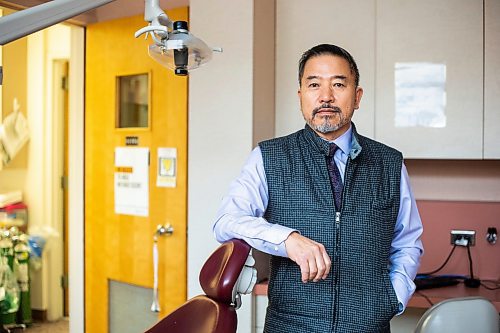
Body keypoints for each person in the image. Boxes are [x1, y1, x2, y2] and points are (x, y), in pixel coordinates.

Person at [213, 44, 423, 332]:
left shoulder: (390, 163)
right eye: (314, 85)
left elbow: (407, 240)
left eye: (338, 84)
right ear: (301, 96)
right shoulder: (269, 156)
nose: (326, 96)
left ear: (357, 96)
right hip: (289, 325)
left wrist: (394, 297)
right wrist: (287, 239)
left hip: (368, 326)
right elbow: (227, 221)